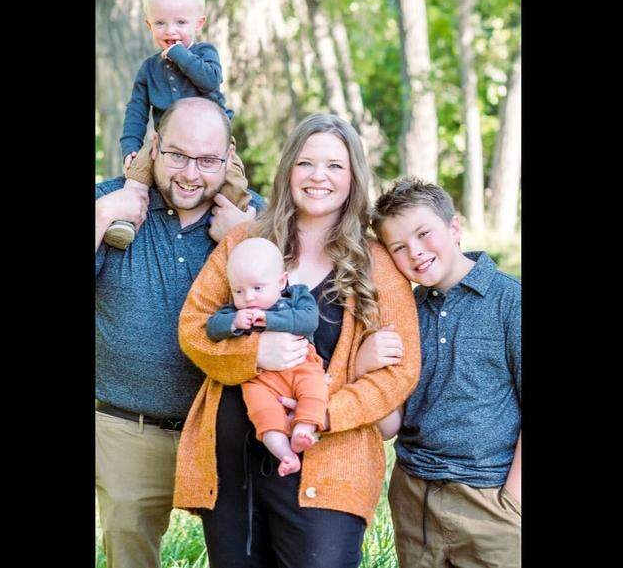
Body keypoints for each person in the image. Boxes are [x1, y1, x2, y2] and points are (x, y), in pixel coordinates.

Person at [172, 113, 421, 568]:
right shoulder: (246, 241)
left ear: (353, 177)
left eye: (334, 166)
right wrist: (253, 353)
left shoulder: (378, 263)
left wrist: (327, 411)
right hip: (234, 464)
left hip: (330, 462)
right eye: (306, 163)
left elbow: (401, 371)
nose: (318, 177)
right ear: (288, 169)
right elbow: (193, 327)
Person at [94, 97, 264, 568]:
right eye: (177, 156)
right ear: (154, 148)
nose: (190, 173)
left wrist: (247, 236)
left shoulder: (255, 219)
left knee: (242, 559)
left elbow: (305, 303)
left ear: (229, 156)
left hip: (228, 430)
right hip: (130, 427)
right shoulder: (113, 205)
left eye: (207, 160)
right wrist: (103, 215)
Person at [369, 177, 522, 568]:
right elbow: (389, 423)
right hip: (414, 496)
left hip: (490, 500)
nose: (416, 252)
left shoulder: (510, 301)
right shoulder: (405, 311)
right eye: (399, 248)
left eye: (424, 234)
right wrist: (364, 367)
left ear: (454, 228)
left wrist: (514, 500)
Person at [104, 0, 253, 249]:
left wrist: (179, 55)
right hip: (166, 144)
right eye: (160, 23)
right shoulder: (149, 69)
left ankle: (238, 222)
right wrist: (130, 146)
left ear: (199, 23)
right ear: (149, 25)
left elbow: (210, 79)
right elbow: (136, 110)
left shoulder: (205, 53)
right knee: (136, 178)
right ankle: (126, 222)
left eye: (181, 23)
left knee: (233, 179)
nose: (170, 30)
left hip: (212, 142)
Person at [206, 237, 326, 477]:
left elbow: (308, 321)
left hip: (301, 366)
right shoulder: (237, 311)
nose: (248, 298)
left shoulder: (295, 298)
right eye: (238, 290)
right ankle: (285, 454)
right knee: (262, 412)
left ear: (281, 281)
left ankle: (304, 429)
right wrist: (233, 322)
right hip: (259, 378)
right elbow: (211, 327)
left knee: (314, 392)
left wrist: (270, 320)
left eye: (257, 288)